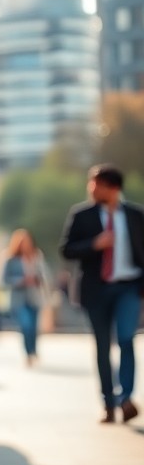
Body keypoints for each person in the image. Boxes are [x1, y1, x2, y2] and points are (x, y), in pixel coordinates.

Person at [59, 164, 144, 425]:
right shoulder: (82, 215)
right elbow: (67, 250)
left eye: (97, 184)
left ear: (113, 188)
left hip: (128, 286)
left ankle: (126, 397)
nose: (91, 188)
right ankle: (108, 402)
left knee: (127, 338)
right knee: (102, 346)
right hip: (96, 289)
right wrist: (94, 244)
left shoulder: (135, 215)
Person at [2, 229, 51, 366]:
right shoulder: (11, 259)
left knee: (34, 327)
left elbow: (45, 275)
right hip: (19, 298)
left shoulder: (37, 256)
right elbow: (5, 280)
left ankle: (34, 350)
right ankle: (28, 353)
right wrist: (21, 281)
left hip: (34, 297)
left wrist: (38, 280)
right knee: (26, 325)